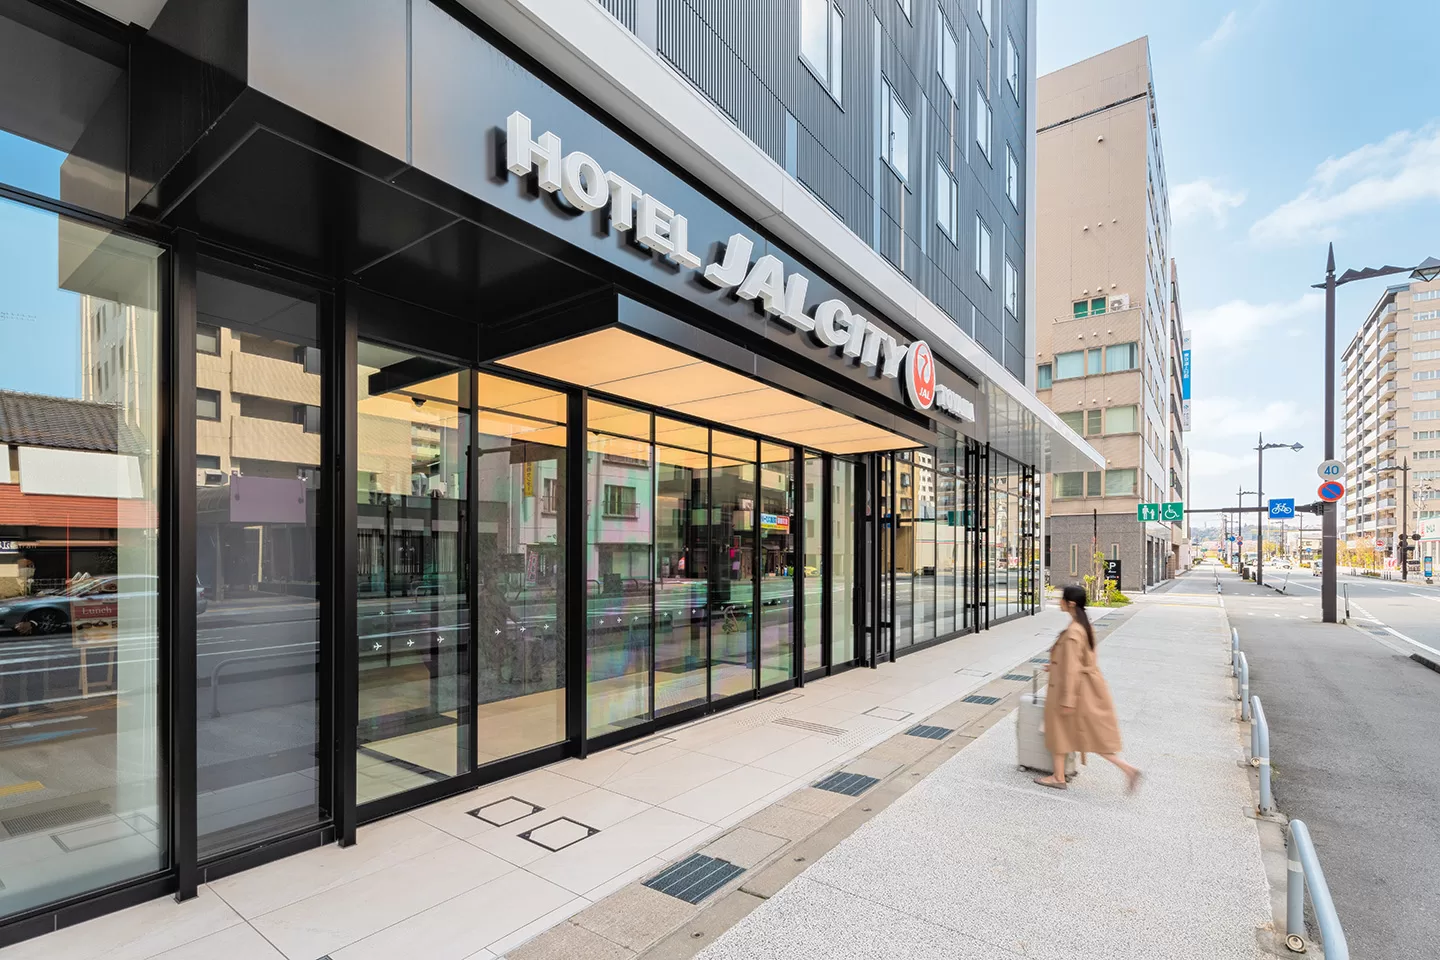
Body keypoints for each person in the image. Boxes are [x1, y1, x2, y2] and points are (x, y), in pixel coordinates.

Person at [1033, 585, 1141, 792]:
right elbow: (1079, 660)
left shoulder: (1074, 631)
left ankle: (1060, 777)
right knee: (1076, 734)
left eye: (1062, 599)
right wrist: (1055, 664)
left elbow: (1073, 669)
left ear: (1071, 603)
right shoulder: (1084, 625)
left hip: (1072, 691)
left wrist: (1067, 700)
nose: (1059, 602)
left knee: (1064, 733)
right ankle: (1059, 775)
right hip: (1085, 688)